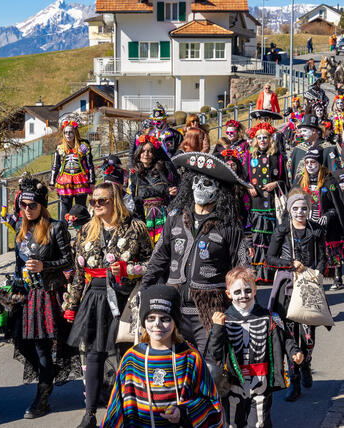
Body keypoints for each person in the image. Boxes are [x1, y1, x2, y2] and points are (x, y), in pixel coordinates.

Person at [140, 151, 250, 359]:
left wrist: (242, 305)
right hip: (173, 310)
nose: (200, 187)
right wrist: (144, 293)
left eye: (207, 183)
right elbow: (158, 259)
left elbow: (242, 269)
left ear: (219, 190)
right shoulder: (174, 218)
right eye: (196, 181)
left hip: (210, 313)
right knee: (173, 367)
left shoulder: (229, 225)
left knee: (210, 369)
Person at [64, 181, 153, 428]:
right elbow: (79, 273)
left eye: (101, 200)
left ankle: (129, 411)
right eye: (93, 201)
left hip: (125, 297)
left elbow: (152, 264)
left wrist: (129, 269)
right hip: (94, 297)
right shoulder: (85, 231)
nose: (96, 205)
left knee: (125, 355)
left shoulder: (135, 228)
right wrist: (72, 304)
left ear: (115, 201)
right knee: (93, 355)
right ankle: (89, 413)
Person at [101, 284, 223, 428]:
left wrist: (183, 412)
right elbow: (118, 406)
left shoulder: (190, 357)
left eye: (165, 319)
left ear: (175, 322)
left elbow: (210, 401)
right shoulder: (132, 359)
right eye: (151, 318)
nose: (157, 324)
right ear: (144, 321)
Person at [10, 174, 78, 419]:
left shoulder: (56, 227)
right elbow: (19, 265)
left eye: (33, 205)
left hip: (49, 295)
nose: (27, 210)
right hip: (27, 297)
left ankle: (42, 397)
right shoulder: (20, 229)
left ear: (42, 205)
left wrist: (44, 265)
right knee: (22, 341)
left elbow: (68, 261)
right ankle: (46, 377)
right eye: (23, 205)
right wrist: (14, 288)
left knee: (42, 348)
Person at [209, 267, 304, 427]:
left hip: (261, 381)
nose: (243, 296)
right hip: (233, 382)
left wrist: (294, 351)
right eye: (237, 292)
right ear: (229, 294)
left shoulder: (269, 317)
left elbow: (286, 337)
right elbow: (214, 353)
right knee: (232, 422)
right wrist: (218, 328)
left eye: (247, 290)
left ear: (255, 290)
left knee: (259, 423)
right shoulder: (225, 320)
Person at [266, 189, 327, 402]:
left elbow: (322, 256)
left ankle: (306, 363)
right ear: (290, 210)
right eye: (296, 208)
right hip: (287, 289)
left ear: (309, 209)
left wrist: (317, 272)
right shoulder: (282, 230)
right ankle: (295, 380)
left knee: (308, 336)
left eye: (304, 208)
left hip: (309, 287)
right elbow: (270, 259)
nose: (300, 212)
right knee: (290, 335)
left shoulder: (316, 229)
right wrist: (289, 264)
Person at [296, 148, 344, 289]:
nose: (310, 165)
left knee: (333, 252)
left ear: (319, 164)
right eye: (307, 162)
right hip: (309, 224)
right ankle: (315, 279)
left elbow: (337, 207)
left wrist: (327, 216)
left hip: (329, 225)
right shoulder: (301, 181)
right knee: (313, 254)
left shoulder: (330, 181)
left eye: (313, 162)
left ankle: (339, 277)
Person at [246, 128, 285, 283]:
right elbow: (242, 177)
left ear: (270, 139)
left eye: (265, 137)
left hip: (271, 204)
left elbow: (285, 180)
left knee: (270, 238)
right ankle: (257, 272)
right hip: (256, 203)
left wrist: (276, 183)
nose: (262, 140)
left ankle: (269, 272)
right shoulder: (250, 156)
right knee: (257, 238)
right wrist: (248, 187)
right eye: (259, 137)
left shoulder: (278, 157)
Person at [128, 136, 179, 243]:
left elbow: (174, 176)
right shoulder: (134, 173)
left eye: (150, 151)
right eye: (143, 151)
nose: (146, 154)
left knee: (164, 243)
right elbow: (137, 195)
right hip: (145, 213)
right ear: (138, 153)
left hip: (162, 212)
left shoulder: (162, 169)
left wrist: (172, 191)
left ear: (154, 154)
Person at [50, 120, 95, 219]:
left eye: (70, 132)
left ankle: (83, 230)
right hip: (65, 180)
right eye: (66, 132)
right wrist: (52, 182)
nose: (68, 135)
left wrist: (92, 181)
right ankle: (64, 231)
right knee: (65, 207)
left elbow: (90, 164)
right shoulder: (60, 147)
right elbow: (55, 165)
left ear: (75, 133)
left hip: (81, 179)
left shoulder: (84, 145)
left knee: (80, 207)